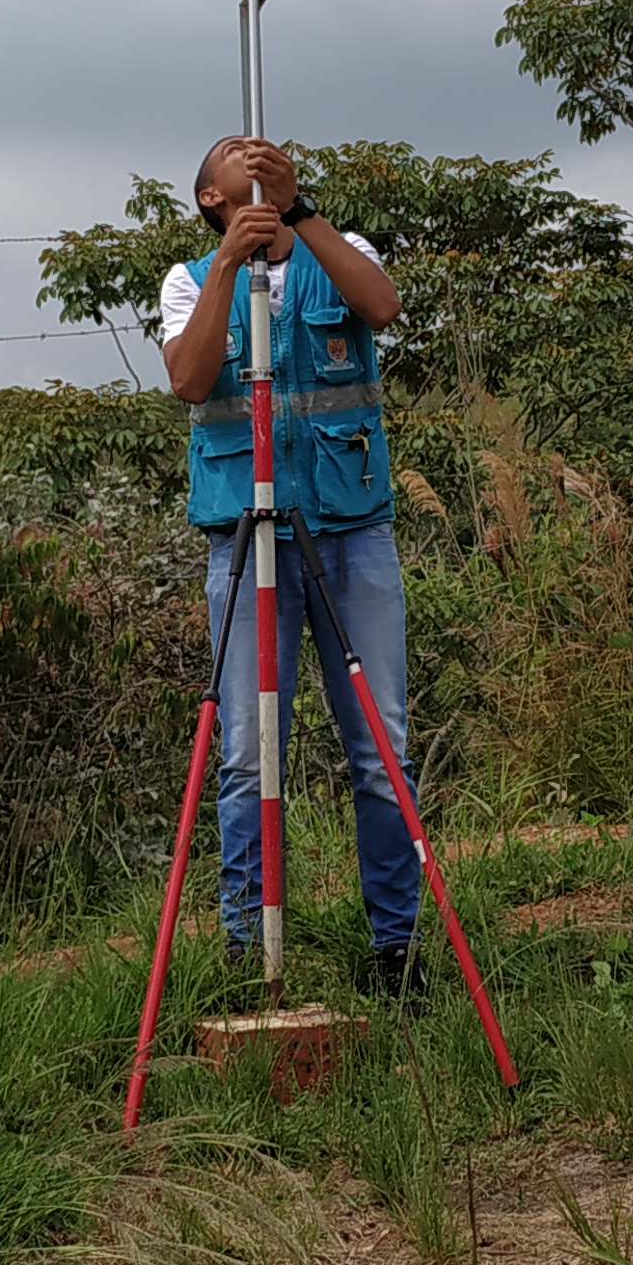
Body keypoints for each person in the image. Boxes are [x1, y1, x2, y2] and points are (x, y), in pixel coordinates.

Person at [160, 136, 422, 990]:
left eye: (268, 149)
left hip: (352, 531)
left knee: (381, 749)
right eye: (237, 154)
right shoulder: (189, 281)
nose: (257, 151)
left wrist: (303, 215)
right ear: (210, 194)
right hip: (246, 542)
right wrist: (233, 267)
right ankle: (248, 953)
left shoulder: (337, 250)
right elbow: (191, 381)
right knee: (247, 751)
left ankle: (398, 951)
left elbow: (381, 307)